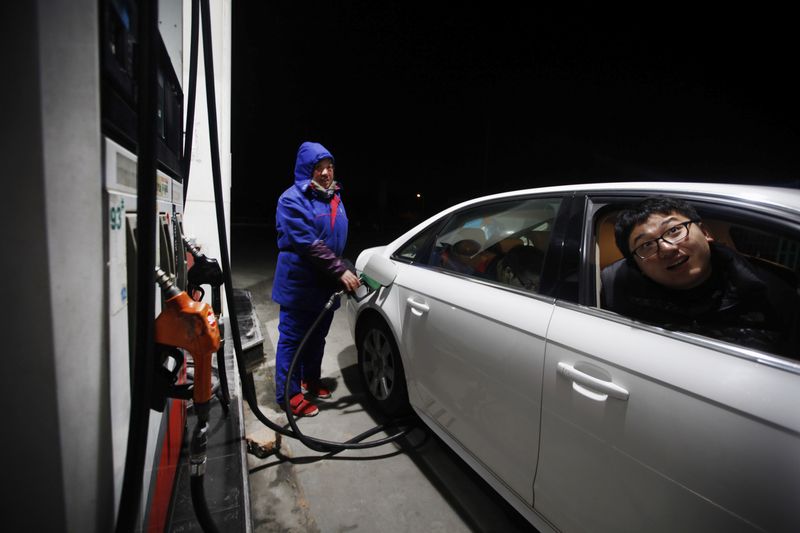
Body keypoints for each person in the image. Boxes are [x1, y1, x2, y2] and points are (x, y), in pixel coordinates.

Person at [601, 196, 799, 359]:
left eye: (674, 230)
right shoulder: (618, 293)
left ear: (705, 233)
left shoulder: (771, 292)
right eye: (646, 245)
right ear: (637, 265)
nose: (667, 248)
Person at [272, 141, 360, 417]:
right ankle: (289, 393)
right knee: (293, 339)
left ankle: (310, 379)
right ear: (306, 170)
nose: (325, 173)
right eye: (318, 168)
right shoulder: (291, 199)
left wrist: (343, 264)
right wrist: (340, 269)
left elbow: (333, 239)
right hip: (300, 284)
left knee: (317, 337)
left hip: (325, 284)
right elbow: (308, 243)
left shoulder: (334, 197)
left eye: (329, 167)